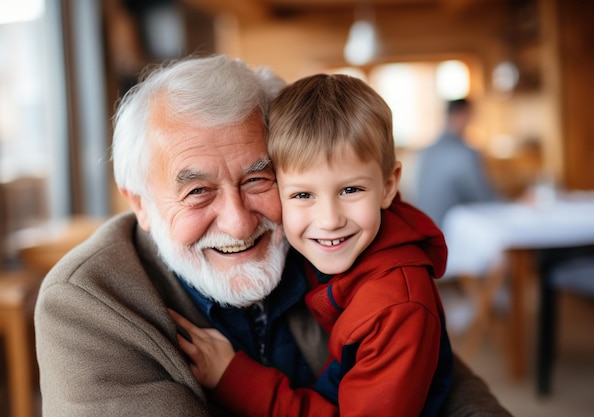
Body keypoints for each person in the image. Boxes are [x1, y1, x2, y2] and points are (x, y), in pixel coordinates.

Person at [33, 54, 513, 417]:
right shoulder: (86, 304)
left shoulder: (330, 250)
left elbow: (439, 380)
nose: (240, 223)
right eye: (198, 191)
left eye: (257, 180)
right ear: (140, 202)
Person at [173, 73, 452, 417]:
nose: (329, 219)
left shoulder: (397, 309)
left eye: (350, 190)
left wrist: (234, 377)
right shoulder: (327, 248)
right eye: (303, 195)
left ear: (388, 186)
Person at [415, 98, 499, 229]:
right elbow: (484, 197)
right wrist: (516, 204)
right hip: (452, 234)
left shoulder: (425, 153)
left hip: (425, 231)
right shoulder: (464, 154)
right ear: (463, 115)